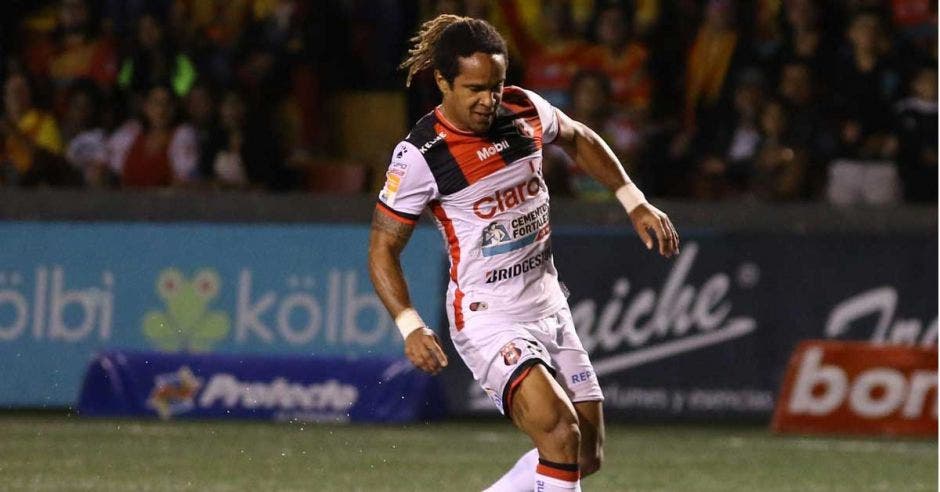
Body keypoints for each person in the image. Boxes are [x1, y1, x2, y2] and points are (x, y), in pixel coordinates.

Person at [368, 15, 679, 492]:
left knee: (585, 453)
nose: (488, 100)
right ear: (442, 81)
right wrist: (409, 325)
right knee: (559, 431)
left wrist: (633, 201)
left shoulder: (524, 109)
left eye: (495, 85)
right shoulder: (421, 156)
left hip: (548, 304)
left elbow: (577, 137)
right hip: (488, 317)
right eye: (474, 88)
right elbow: (383, 247)